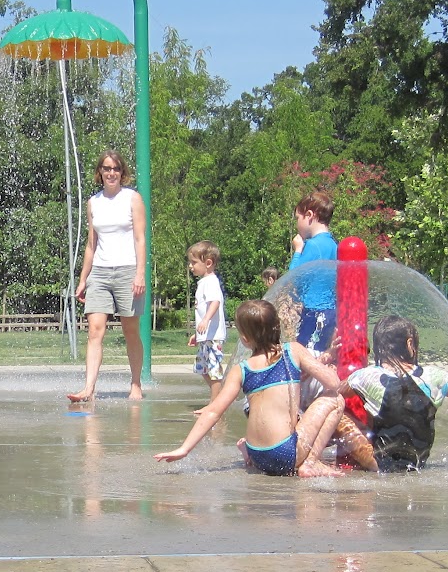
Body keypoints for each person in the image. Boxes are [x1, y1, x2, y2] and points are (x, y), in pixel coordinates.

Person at [156, 299, 344, 476]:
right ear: (277, 326)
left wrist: (184, 449)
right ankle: (311, 462)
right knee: (336, 399)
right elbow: (333, 383)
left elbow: (213, 412)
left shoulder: (241, 369)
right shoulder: (293, 351)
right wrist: (328, 361)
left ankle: (247, 448)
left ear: (245, 339)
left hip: (258, 456)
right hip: (285, 454)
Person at [338, 315, 448, 471]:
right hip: (418, 463)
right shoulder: (434, 377)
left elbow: (334, 392)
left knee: (335, 409)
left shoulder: (368, 376)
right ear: (410, 344)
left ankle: (315, 459)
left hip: (379, 464)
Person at [69, 150, 147, 403]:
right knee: (94, 330)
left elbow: (139, 238)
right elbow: (91, 245)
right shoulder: (94, 203)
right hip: (100, 273)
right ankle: (89, 388)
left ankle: (135, 383)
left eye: (115, 168)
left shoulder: (132, 198)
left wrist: (140, 274)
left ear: (122, 172)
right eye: (106, 168)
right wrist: (83, 279)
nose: (111, 173)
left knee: (130, 330)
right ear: (99, 172)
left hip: (127, 271)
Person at [288, 191, 339, 351]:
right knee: (320, 354)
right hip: (330, 312)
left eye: (298, 218)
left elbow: (293, 277)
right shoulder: (333, 245)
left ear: (309, 215)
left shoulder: (312, 245)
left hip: (313, 313)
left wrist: (297, 250)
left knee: (304, 357)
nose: (297, 224)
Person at [186, 240, 227, 405]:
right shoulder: (203, 282)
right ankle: (220, 395)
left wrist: (205, 320)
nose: (190, 266)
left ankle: (215, 403)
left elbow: (215, 302)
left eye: (194, 262)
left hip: (213, 335)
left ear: (208, 263)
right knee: (202, 368)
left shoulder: (211, 281)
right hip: (206, 335)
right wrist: (197, 334)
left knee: (213, 368)